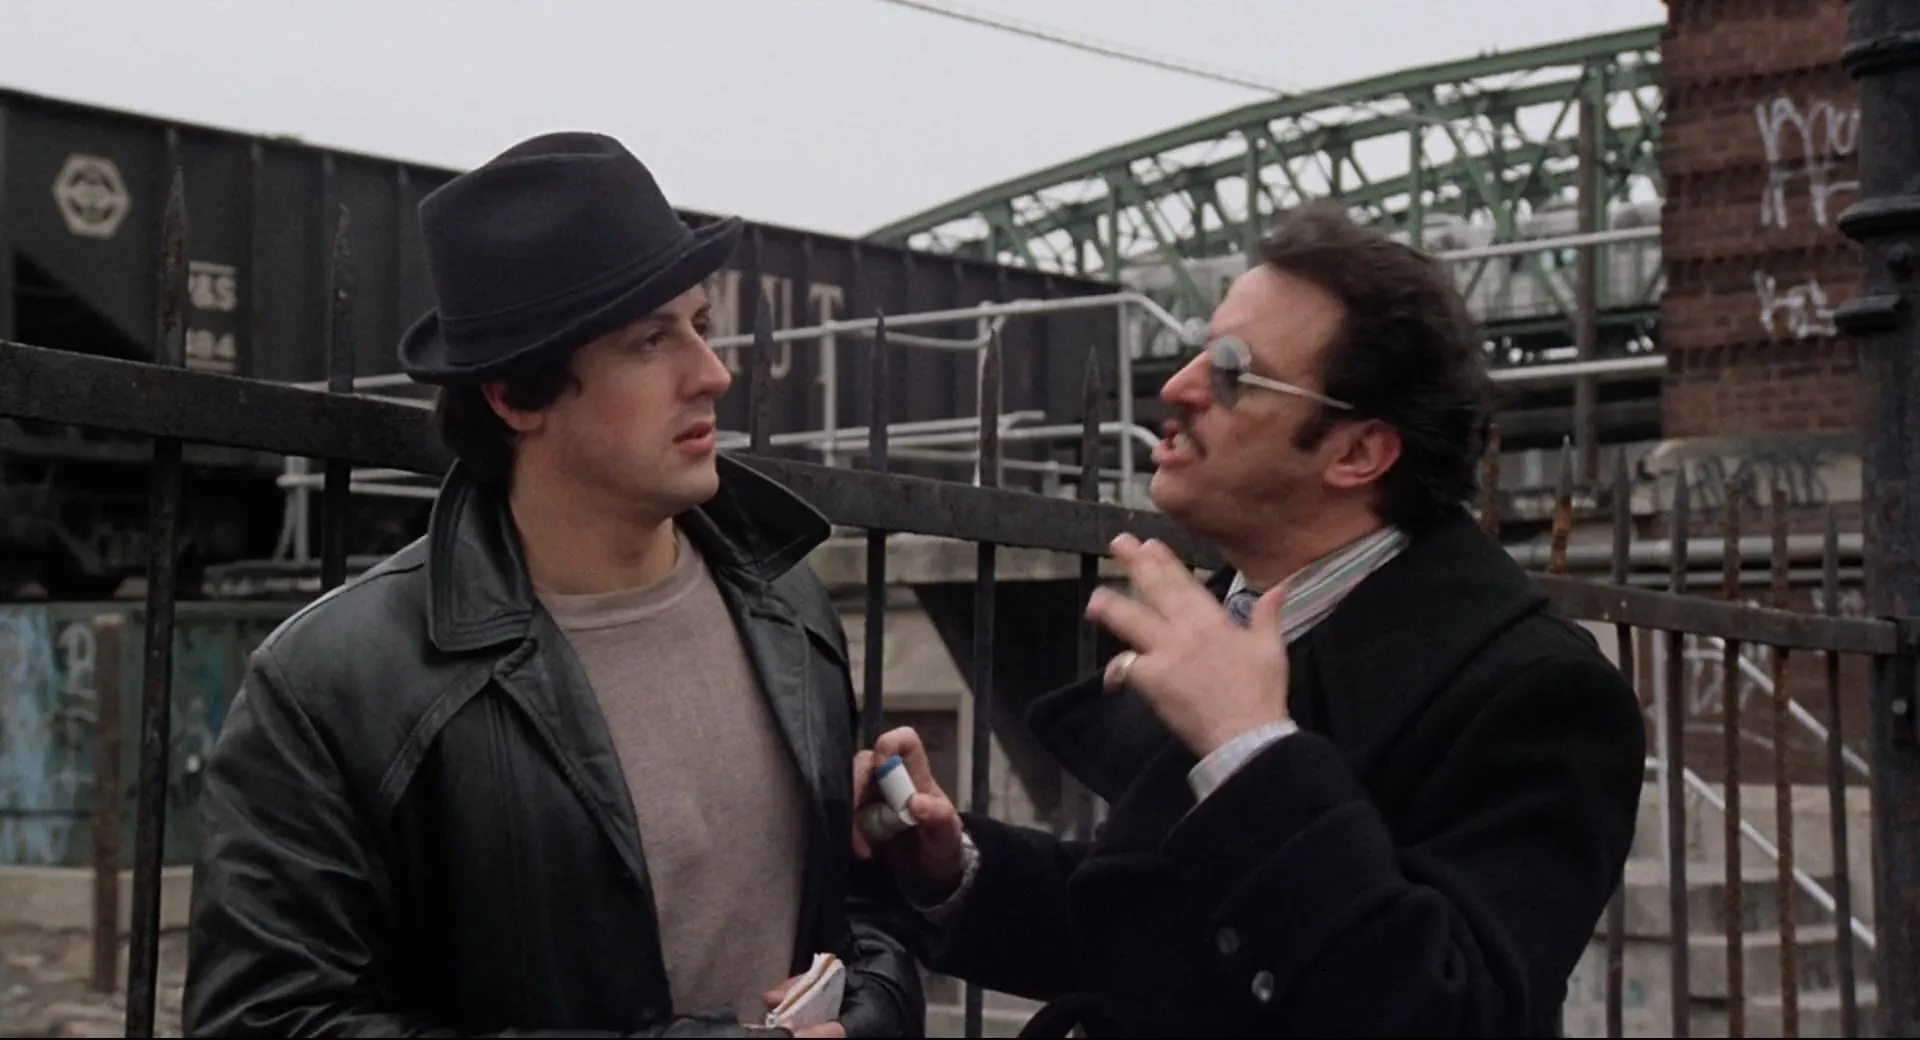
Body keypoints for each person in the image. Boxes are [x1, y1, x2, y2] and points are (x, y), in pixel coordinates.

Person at [182, 133, 925, 1038]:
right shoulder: (336, 684)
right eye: (650, 341)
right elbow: (263, 1021)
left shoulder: (788, 607)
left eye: (701, 325)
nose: (713, 374)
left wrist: (878, 1003)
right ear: (514, 397)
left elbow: (848, 912)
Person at [850, 202, 1648, 1036]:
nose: (1177, 386)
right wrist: (952, 867)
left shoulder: (1540, 694)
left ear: (1357, 452)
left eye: (1232, 371)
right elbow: (1155, 936)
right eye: (1201, 349)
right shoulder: (1241, 615)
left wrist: (1252, 750)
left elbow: (1442, 1010)